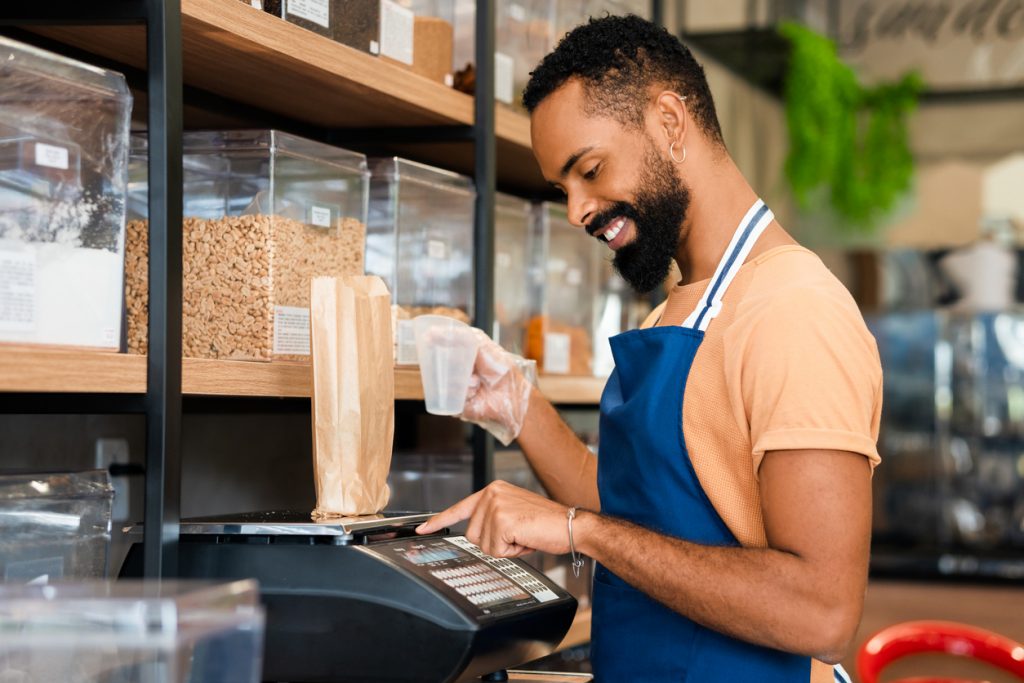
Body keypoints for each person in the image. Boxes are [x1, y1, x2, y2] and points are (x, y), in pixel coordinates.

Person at [417, 15, 882, 683]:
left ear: (669, 121)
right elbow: (639, 515)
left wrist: (580, 530)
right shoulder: (678, 305)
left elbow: (823, 614)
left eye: (590, 169)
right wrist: (519, 407)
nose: (577, 210)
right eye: (563, 188)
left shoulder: (794, 309)